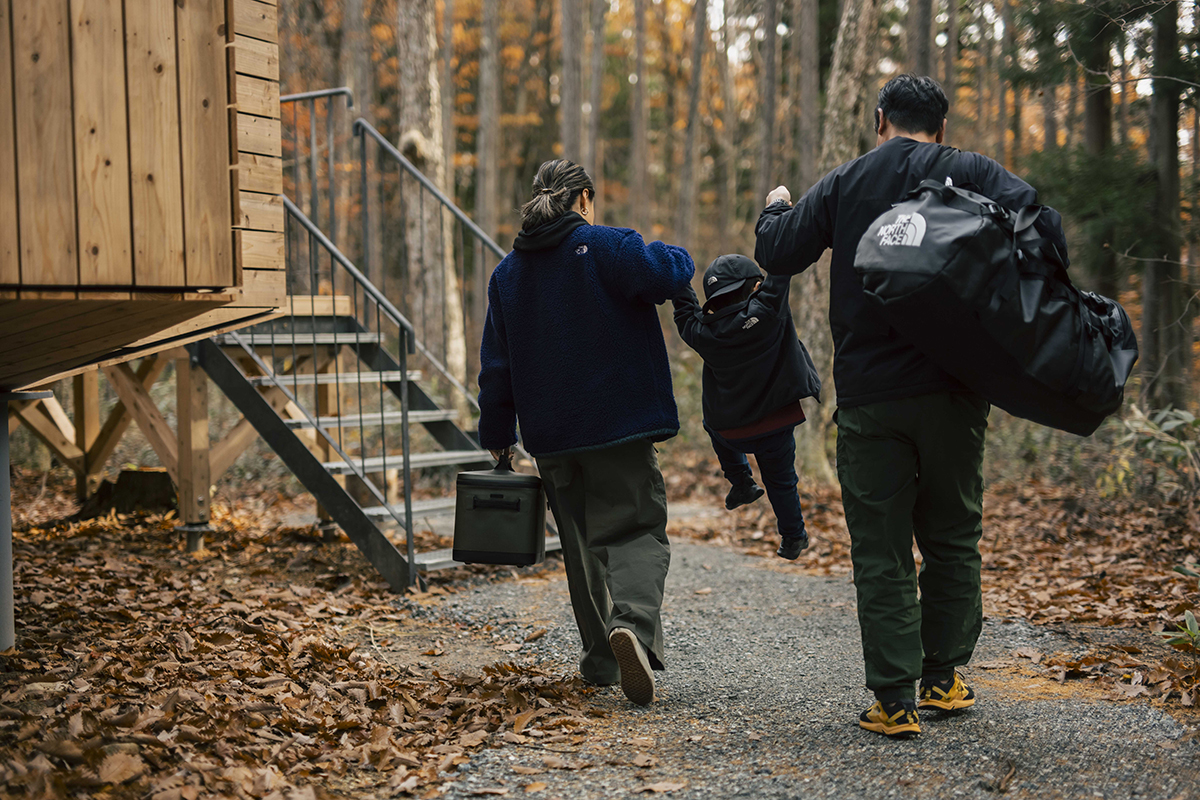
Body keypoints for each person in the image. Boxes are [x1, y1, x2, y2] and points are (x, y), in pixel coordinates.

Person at [754, 75, 1069, 738]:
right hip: (957, 394)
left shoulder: (846, 182)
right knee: (953, 539)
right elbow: (1050, 234)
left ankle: (895, 701)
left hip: (872, 399)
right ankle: (945, 678)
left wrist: (775, 208)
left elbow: (777, 252)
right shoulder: (976, 174)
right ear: (942, 127)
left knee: (882, 547)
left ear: (879, 122)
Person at [477, 158, 695, 706]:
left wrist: (497, 432)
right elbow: (668, 273)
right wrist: (678, 253)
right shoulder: (605, 247)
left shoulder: (507, 275)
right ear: (584, 199)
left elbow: (497, 367)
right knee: (636, 530)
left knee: (580, 550)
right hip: (617, 427)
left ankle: (601, 660)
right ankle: (635, 631)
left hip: (551, 439)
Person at [670, 254, 821, 560]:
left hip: (731, 431)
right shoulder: (768, 309)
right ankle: (793, 537)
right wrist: (776, 210)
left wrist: (678, 269)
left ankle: (740, 481)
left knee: (710, 421)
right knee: (781, 481)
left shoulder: (700, 332)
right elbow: (781, 266)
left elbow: (684, 308)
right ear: (754, 286)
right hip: (776, 422)